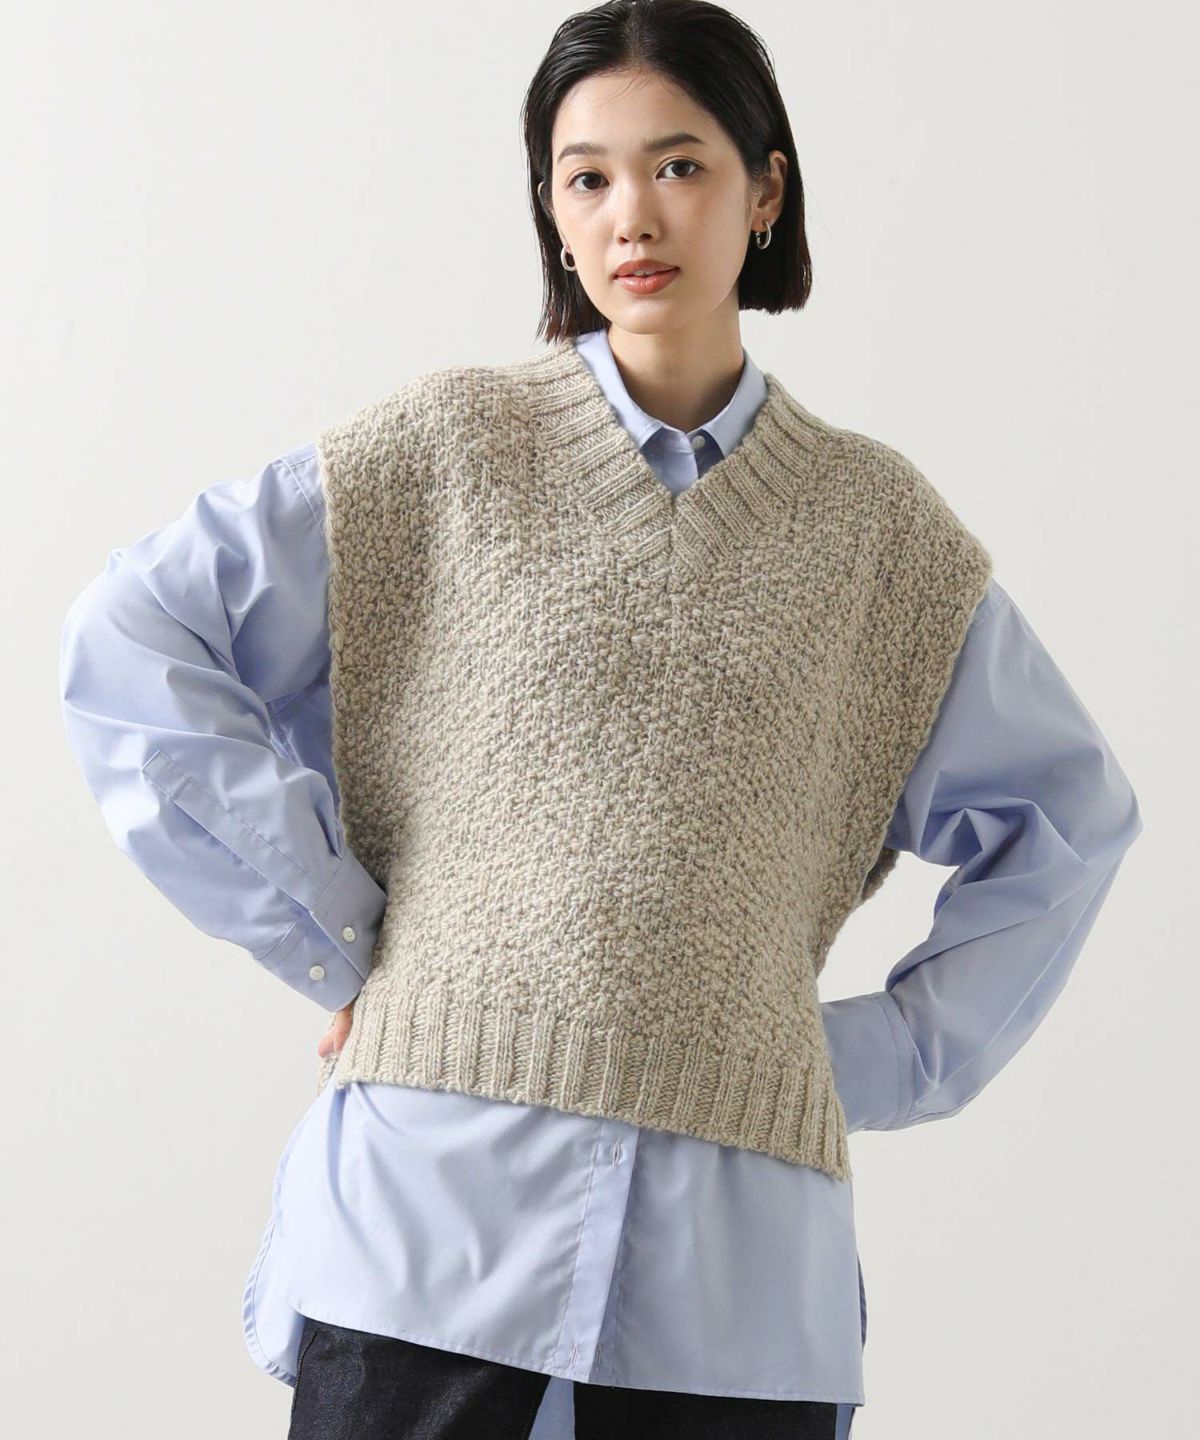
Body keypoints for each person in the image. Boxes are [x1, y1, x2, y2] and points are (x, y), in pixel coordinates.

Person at [57, 3, 1142, 1437]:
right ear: (553, 213)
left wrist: (877, 1055)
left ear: (766, 189)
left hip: (733, 1284)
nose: (634, 214)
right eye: (587, 177)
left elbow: (1071, 816)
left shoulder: (880, 537)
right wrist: (337, 933)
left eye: (680, 165)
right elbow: (134, 638)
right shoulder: (442, 452)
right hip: (429, 1232)